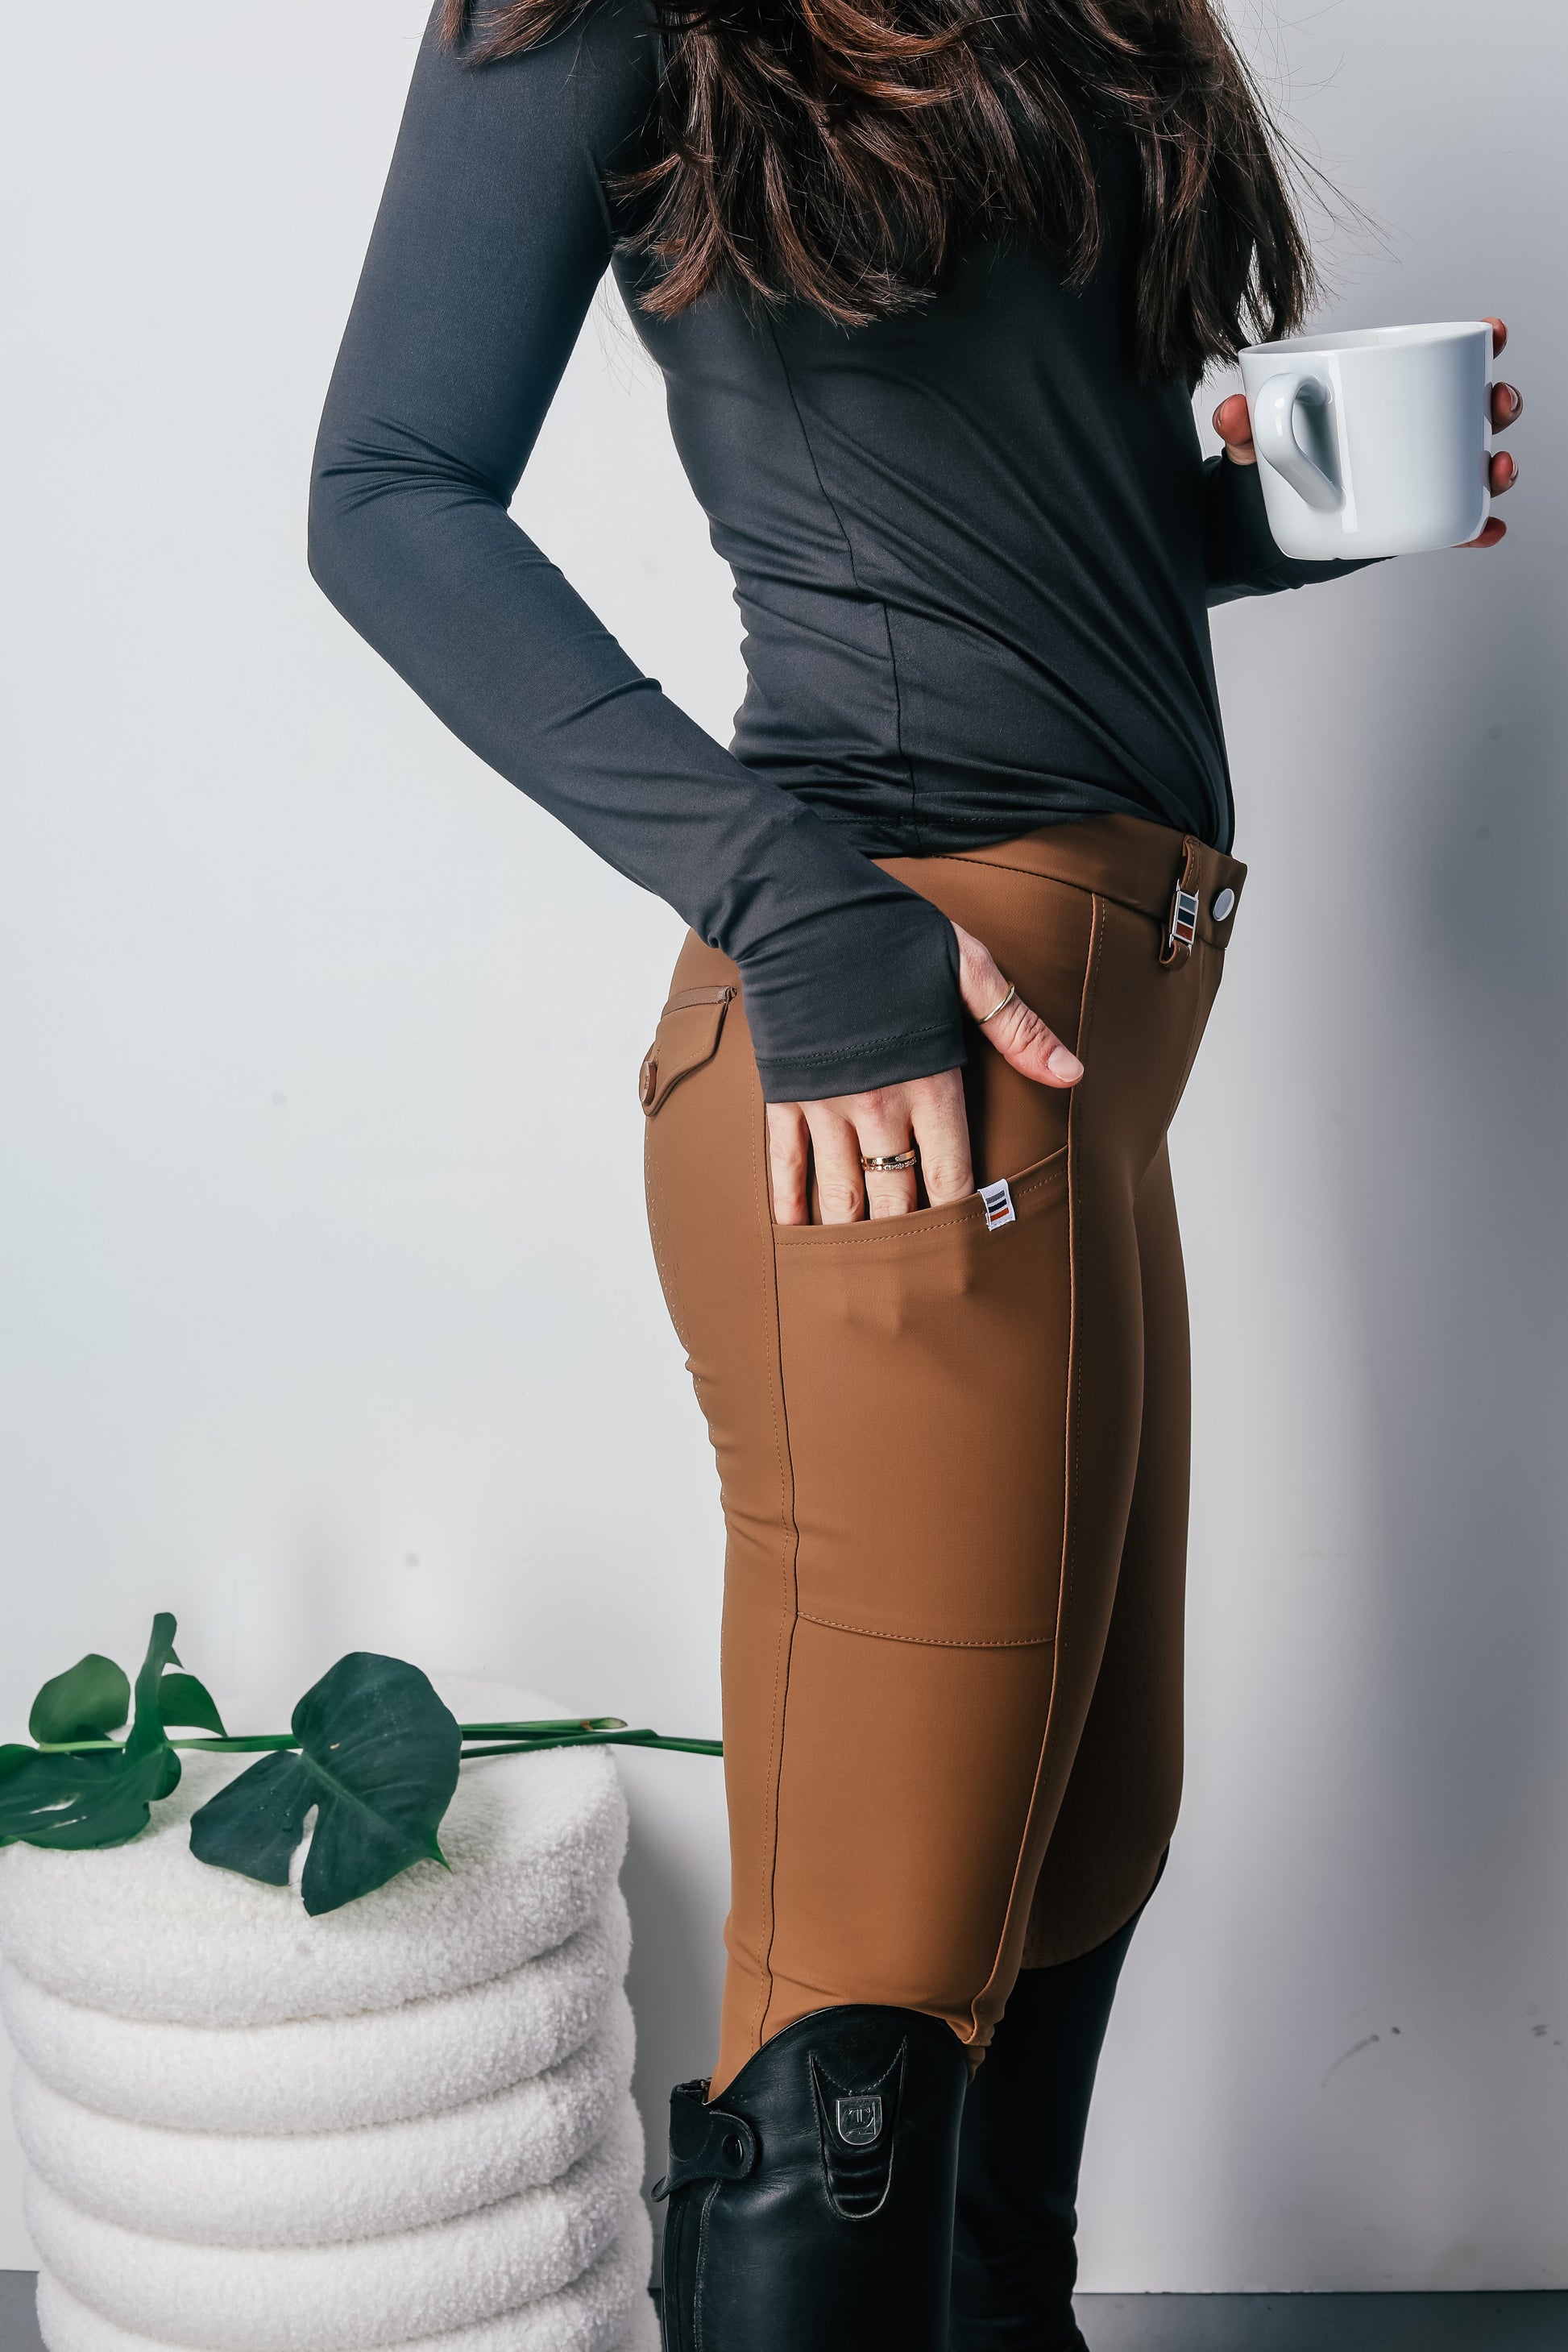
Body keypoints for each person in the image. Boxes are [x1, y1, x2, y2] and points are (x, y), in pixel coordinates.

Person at [307, 5, 1520, 2345]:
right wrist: (794, 902)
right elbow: (385, 490)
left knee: (1077, 1856)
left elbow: (1028, 514)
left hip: (1095, 1056)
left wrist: (1295, 504)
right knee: (868, 1972)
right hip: (898, 1062)